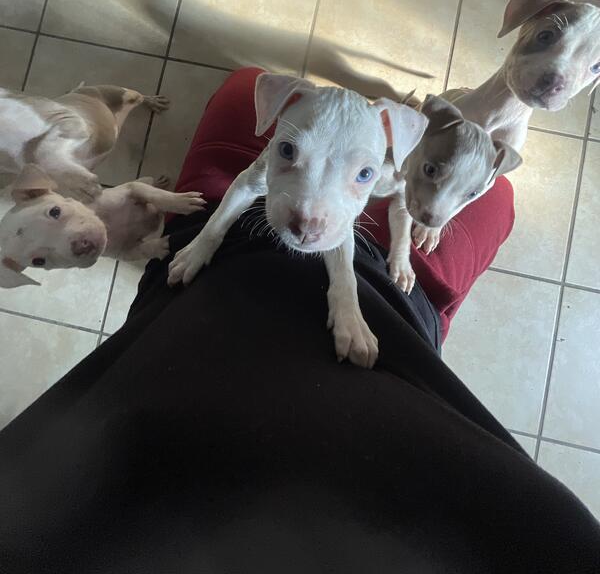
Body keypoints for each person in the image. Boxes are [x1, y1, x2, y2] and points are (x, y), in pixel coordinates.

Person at [0, 68, 598, 574]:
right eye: (289, 151)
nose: (309, 215)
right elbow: (252, 186)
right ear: (277, 120)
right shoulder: (295, 129)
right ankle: (400, 303)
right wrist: (207, 241)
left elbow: (331, 220)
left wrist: (345, 291)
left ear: (394, 150)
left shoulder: (393, 145)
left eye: (363, 175)